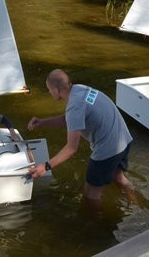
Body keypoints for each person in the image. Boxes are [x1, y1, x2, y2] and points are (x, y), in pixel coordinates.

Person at [27, 69, 134, 203]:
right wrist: (43, 122)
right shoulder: (80, 89)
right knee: (119, 177)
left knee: (90, 194)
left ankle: (97, 217)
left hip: (108, 150)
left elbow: (71, 148)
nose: (49, 93)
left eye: (49, 89)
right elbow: (68, 119)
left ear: (56, 89)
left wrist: (45, 166)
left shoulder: (74, 106)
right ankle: (136, 202)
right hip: (124, 140)